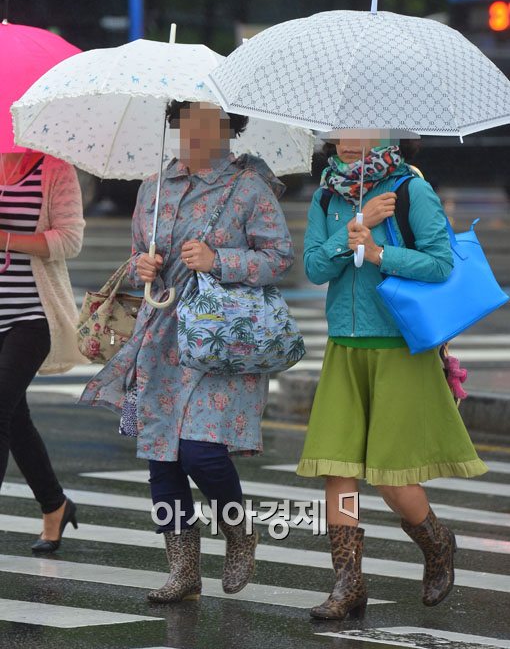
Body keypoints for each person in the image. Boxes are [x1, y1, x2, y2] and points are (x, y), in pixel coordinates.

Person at [80, 101, 294, 603]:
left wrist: (220, 259)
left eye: (208, 121)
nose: (195, 131)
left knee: (201, 451)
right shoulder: (153, 188)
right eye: (186, 120)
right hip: (160, 338)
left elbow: (280, 257)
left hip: (222, 339)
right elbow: (138, 252)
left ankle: (239, 531)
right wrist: (143, 266)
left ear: (229, 127)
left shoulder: (249, 187)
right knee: (162, 459)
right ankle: (183, 570)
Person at [297, 132, 488, 620]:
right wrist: (353, 230)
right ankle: (348, 582)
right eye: (340, 131)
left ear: (387, 133)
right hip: (344, 346)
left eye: (360, 130)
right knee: (337, 468)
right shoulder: (327, 195)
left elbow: (440, 265)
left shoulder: (410, 190)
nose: (346, 141)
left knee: (392, 478)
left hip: (399, 347)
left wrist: (380, 253)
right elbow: (315, 267)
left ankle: (437, 542)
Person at [0, 150, 86, 552]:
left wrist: (7, 239)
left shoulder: (54, 169)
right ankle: (55, 505)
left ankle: (54, 505)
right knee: (15, 418)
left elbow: (70, 240)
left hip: (34, 316)